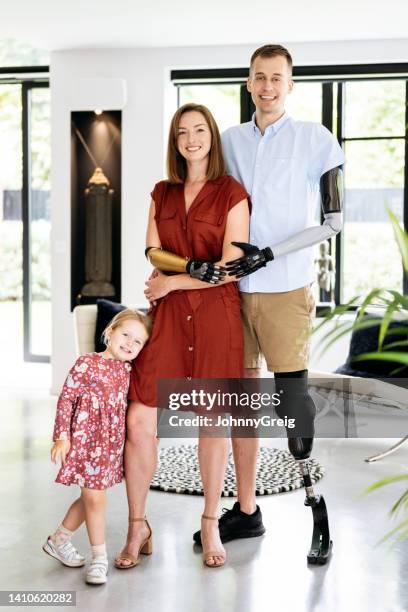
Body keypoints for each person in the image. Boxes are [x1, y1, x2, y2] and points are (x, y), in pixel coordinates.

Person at [193, 44, 345, 562]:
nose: (268, 86)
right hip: (232, 294)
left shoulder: (315, 139)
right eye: (259, 77)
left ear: (290, 84)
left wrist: (271, 254)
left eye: (277, 78)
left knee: (292, 406)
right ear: (248, 82)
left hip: (285, 289)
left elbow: (334, 220)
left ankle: (316, 513)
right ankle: (247, 510)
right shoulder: (229, 141)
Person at [114, 103, 250, 569]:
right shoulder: (162, 192)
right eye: (181, 133)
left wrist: (173, 279)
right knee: (139, 420)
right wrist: (174, 273)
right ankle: (138, 526)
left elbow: (231, 267)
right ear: (174, 142)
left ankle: (211, 520)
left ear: (212, 136)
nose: (191, 139)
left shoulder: (232, 193)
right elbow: (153, 248)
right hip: (168, 320)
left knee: (212, 423)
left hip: (216, 317)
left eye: (199, 130)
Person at [43, 309, 151, 584]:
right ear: (110, 332)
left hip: (109, 447)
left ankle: (59, 540)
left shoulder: (129, 371)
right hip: (84, 443)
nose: (129, 343)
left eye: (138, 342)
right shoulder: (86, 363)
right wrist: (61, 437)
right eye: (126, 335)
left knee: (91, 497)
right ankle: (99, 559)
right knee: (95, 498)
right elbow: (66, 399)